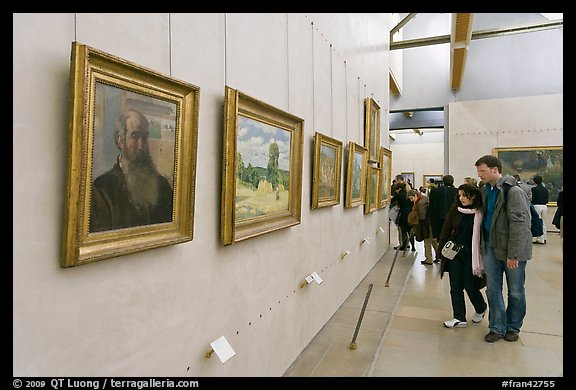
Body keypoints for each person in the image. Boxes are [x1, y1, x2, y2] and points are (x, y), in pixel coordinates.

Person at [475, 155, 532, 343]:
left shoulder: (513, 191)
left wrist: (514, 254)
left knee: (515, 291)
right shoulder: (485, 190)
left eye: (482, 171)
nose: (479, 175)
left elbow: (520, 225)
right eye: (478, 171)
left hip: (511, 250)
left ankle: (513, 327)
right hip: (490, 248)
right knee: (492, 289)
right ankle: (497, 327)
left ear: (494, 169)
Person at [90, 109, 174, 232]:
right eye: (135, 136)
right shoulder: (103, 188)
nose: (141, 146)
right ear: (120, 141)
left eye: (145, 137)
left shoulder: (163, 186)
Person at [438, 183, 487, 328]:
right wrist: (441, 251)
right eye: (459, 195)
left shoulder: (481, 212)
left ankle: (481, 307)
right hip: (455, 254)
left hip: (473, 255)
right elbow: (446, 230)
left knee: (470, 285)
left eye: (465, 195)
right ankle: (459, 317)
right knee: (455, 286)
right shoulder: (455, 210)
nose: (461, 198)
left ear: (473, 196)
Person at [429, 175, 457, 263]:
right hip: (455, 221)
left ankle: (441, 257)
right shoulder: (457, 192)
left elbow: (432, 208)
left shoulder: (435, 191)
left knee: (441, 239)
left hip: (439, 221)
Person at [407, 189, 435, 265]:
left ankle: (429, 259)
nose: (411, 200)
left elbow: (422, 216)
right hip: (431, 222)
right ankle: (440, 256)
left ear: (415, 195)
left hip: (425, 224)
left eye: (411, 198)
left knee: (427, 241)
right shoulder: (425, 198)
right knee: (433, 241)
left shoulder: (419, 203)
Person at [391, 182, 414, 251]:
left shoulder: (399, 195)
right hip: (410, 214)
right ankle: (413, 247)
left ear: (399, 189)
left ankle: (404, 246)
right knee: (410, 231)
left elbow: (392, 200)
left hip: (403, 214)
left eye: (396, 189)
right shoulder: (408, 193)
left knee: (403, 231)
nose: (396, 191)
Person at [530, 175, 549, 244]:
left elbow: (532, 199)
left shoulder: (533, 189)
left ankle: (538, 238)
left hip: (537, 206)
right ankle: (544, 237)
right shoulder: (545, 189)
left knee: (537, 222)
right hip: (544, 206)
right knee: (543, 222)